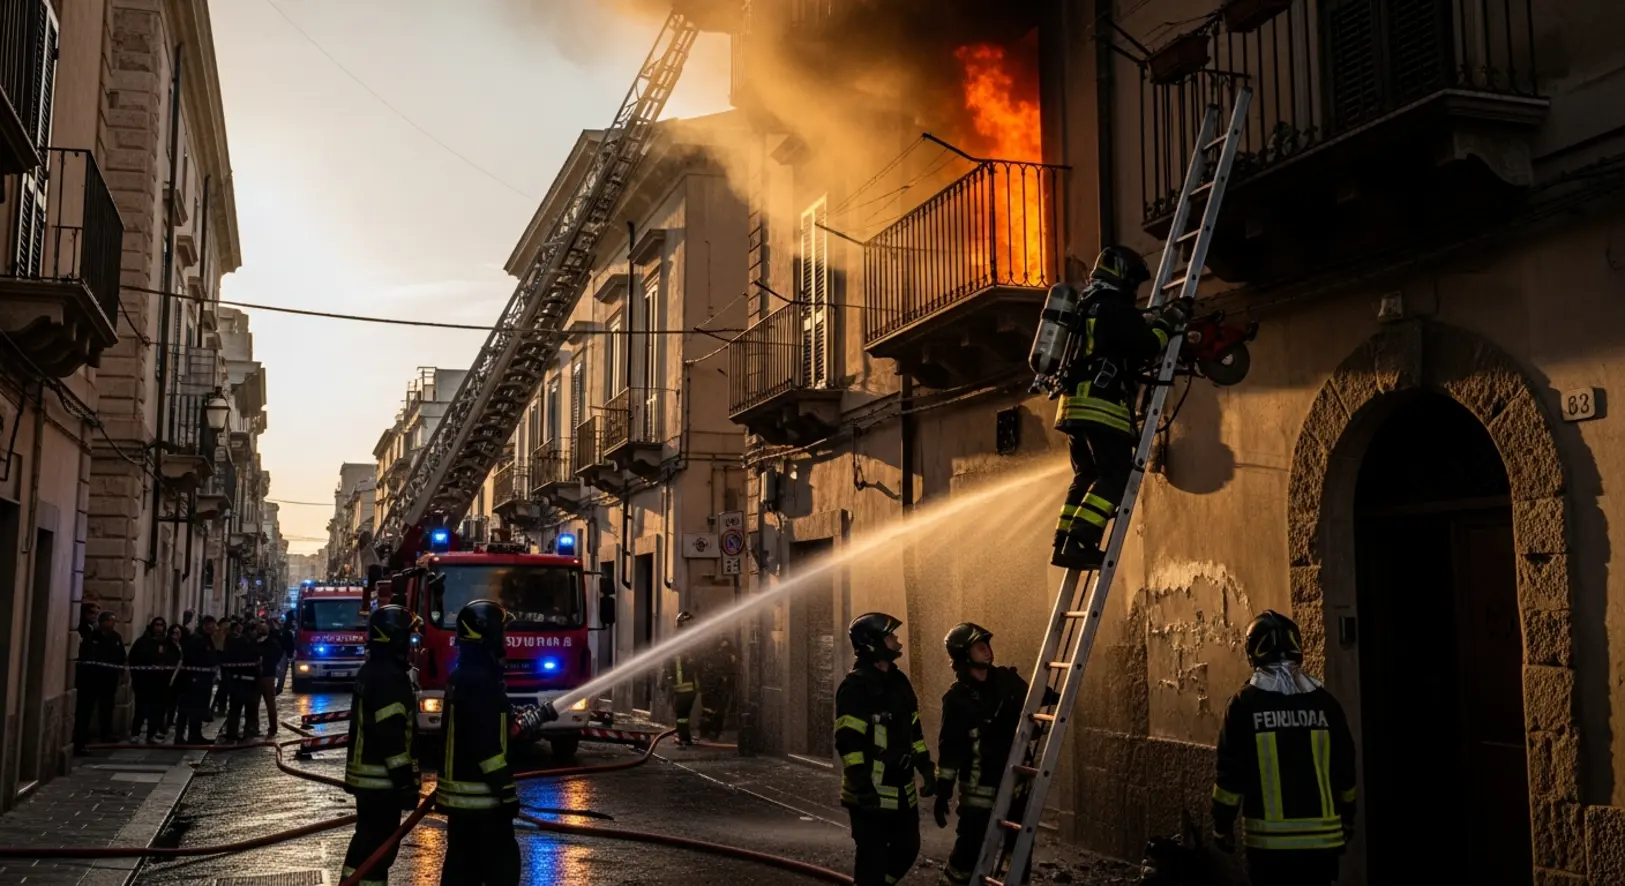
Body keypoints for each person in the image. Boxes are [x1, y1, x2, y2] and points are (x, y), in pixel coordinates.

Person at [1051, 246, 1189, 571]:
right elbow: (1147, 347)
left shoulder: (1087, 306)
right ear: (1124, 277)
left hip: (1072, 407)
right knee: (1116, 474)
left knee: (1087, 474)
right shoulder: (1115, 307)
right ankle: (1081, 541)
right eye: (1134, 283)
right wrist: (1169, 321)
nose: (1135, 291)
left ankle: (1063, 543)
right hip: (1102, 406)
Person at [1211, 611, 1357, 886]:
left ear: (1253, 650)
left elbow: (1230, 777)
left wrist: (1222, 826)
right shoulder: (1326, 704)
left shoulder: (1244, 705)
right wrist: (1347, 818)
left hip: (1269, 847)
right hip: (1322, 845)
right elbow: (1345, 769)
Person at [933, 623, 1057, 885]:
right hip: (980, 791)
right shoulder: (956, 699)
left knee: (1019, 854)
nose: (987, 651)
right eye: (980, 647)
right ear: (964, 655)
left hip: (1016, 787)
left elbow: (1037, 695)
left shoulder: (1007, 681)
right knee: (968, 855)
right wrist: (943, 789)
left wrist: (1056, 696)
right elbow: (950, 748)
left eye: (987, 645)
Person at [835, 612, 936, 886]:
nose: (897, 640)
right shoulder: (855, 686)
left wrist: (925, 766)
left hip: (902, 789)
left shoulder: (899, 681)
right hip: (871, 791)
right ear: (872, 642)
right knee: (872, 858)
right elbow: (848, 740)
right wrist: (861, 784)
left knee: (908, 848)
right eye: (890, 636)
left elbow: (913, 728)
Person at [436, 600, 521, 886]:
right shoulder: (480, 681)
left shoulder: (465, 676)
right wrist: (506, 792)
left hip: (464, 803)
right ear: (490, 636)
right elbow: (485, 746)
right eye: (503, 634)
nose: (507, 641)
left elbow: (482, 728)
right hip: (482, 803)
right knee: (503, 869)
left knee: (462, 870)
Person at [342, 605, 422, 886]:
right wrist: (405, 784)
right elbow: (391, 738)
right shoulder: (390, 678)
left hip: (368, 780)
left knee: (366, 842)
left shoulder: (372, 670)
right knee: (379, 850)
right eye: (410, 638)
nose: (414, 645)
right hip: (382, 783)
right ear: (396, 639)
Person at [73, 610, 126, 754]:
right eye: (110, 621)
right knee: (86, 710)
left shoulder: (116, 637)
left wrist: (120, 672)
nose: (112, 624)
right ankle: (82, 739)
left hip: (109, 680)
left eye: (114, 621)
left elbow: (121, 656)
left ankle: (106, 733)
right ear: (103, 622)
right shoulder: (92, 637)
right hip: (91, 680)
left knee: (107, 707)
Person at [127, 616, 173, 743]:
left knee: (157, 710)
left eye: (161, 625)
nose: (158, 628)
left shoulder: (166, 643)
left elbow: (172, 659)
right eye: (156, 625)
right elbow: (134, 659)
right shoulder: (142, 642)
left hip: (160, 682)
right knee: (141, 708)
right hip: (144, 682)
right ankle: (135, 733)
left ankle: (151, 734)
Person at [178, 617, 218, 745]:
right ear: (207, 625)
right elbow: (193, 658)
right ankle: (187, 736)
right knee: (192, 709)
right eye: (213, 625)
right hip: (195, 680)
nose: (215, 628)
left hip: (204, 680)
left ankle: (196, 734)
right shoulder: (198, 639)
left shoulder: (206, 639)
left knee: (199, 708)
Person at [661, 611, 699, 747]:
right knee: (684, 715)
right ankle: (684, 737)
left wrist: (667, 682)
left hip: (681, 686)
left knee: (682, 715)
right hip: (690, 686)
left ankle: (684, 739)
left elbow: (667, 662)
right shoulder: (691, 641)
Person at [221, 618, 259, 742]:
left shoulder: (234, 643)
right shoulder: (251, 645)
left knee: (235, 709)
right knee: (248, 709)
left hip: (236, 681)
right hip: (248, 682)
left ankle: (232, 733)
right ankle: (247, 731)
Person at [699, 631, 738, 742]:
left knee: (716, 711)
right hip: (714, 687)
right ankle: (709, 732)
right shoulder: (719, 653)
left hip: (717, 687)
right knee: (712, 711)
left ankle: (709, 733)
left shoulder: (721, 653)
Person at [253, 619, 283, 738]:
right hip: (267, 675)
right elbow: (279, 654)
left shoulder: (256, 643)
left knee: (258, 703)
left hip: (262, 676)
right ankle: (271, 728)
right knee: (267, 703)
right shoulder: (272, 643)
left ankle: (259, 728)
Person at [163, 624, 186, 735]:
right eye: (174, 633)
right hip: (169, 677)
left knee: (175, 702)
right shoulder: (168, 646)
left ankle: (170, 721)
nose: (176, 635)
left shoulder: (181, 645)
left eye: (178, 633)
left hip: (180, 678)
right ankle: (164, 725)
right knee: (168, 702)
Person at [275, 613, 296, 695]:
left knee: (280, 671)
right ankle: (279, 686)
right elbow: (291, 645)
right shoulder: (288, 633)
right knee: (282, 671)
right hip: (284, 653)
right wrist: (290, 655)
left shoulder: (282, 632)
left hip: (281, 653)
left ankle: (278, 686)